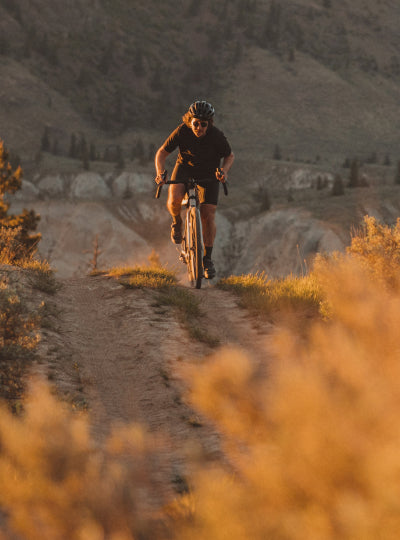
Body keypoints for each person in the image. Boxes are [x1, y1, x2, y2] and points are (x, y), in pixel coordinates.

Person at [154, 100, 234, 279]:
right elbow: (161, 153)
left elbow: (229, 156)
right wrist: (160, 173)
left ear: (209, 124)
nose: (199, 127)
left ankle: (207, 259)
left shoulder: (216, 136)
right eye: (195, 123)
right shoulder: (182, 131)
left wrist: (224, 172)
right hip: (185, 168)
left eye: (203, 124)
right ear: (189, 121)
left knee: (208, 214)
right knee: (174, 199)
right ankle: (177, 222)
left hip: (209, 172)